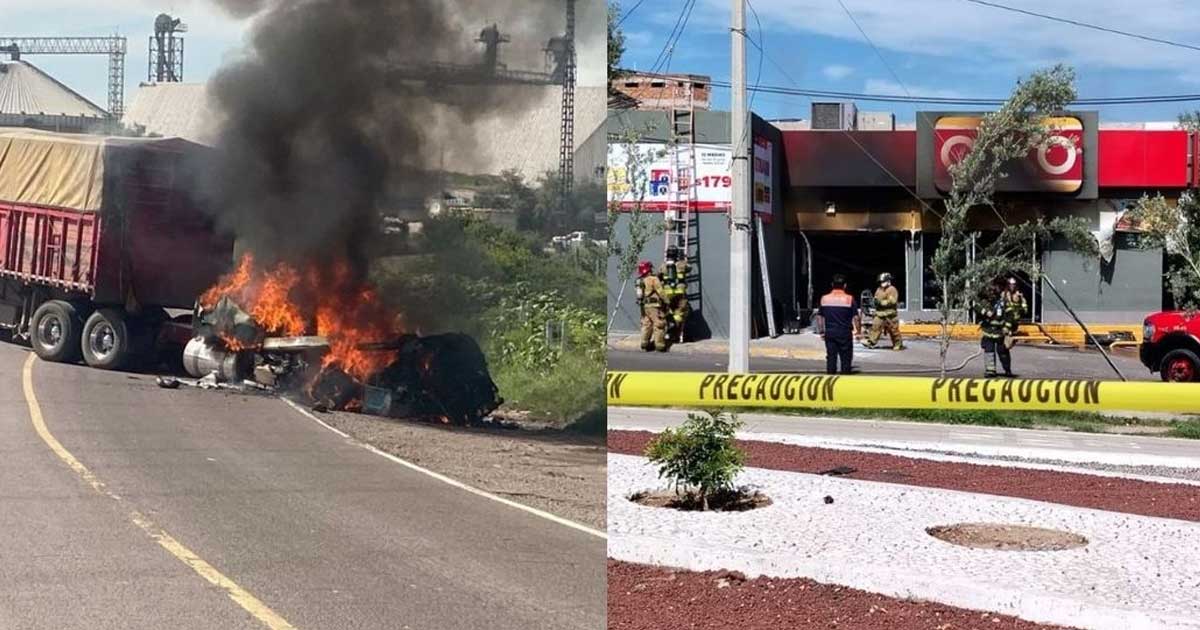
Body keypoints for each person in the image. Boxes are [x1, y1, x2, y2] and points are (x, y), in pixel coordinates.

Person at [815, 274, 861, 375]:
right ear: (845, 285)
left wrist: (822, 331)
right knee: (846, 357)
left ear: (832, 285)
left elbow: (819, 317)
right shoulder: (849, 299)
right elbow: (856, 318)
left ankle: (830, 379)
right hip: (844, 333)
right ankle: (845, 380)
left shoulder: (824, 298)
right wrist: (858, 332)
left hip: (830, 332)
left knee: (831, 356)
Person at [978, 288, 1013, 377]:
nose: (991, 294)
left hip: (1000, 332)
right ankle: (990, 371)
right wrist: (985, 312)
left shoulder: (1003, 303)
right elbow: (976, 308)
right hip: (988, 332)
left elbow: (1010, 315)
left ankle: (1007, 369)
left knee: (1003, 352)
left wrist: (1007, 327)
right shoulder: (984, 302)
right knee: (989, 351)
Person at [864, 272, 904, 350]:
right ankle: (871, 342)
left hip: (890, 314)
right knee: (875, 328)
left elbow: (892, 301)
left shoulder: (892, 289)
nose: (881, 283)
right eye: (880, 282)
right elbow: (876, 298)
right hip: (879, 314)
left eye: (883, 281)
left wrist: (881, 303)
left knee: (893, 330)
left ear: (888, 281)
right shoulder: (879, 289)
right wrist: (874, 302)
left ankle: (897, 343)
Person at [636, 260, 668, 352]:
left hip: (644, 306)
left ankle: (644, 343)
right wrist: (667, 301)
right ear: (649, 269)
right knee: (659, 324)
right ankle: (659, 345)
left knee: (646, 324)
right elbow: (660, 291)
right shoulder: (654, 279)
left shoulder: (640, 280)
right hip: (654, 306)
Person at [661, 254, 690, 344]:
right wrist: (683, 260)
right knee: (681, 312)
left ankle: (668, 327)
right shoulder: (682, 265)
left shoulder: (663, 266)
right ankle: (674, 328)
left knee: (666, 311)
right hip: (679, 293)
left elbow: (659, 274)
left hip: (667, 293)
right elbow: (689, 268)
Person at [1001, 277, 1028, 349]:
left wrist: (1024, 307)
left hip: (1016, 319)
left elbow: (1024, 305)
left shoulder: (1019, 295)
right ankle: (1006, 342)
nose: (1012, 286)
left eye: (1013, 285)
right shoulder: (1004, 294)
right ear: (1008, 285)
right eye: (1010, 285)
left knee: (1012, 333)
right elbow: (1001, 305)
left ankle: (1009, 342)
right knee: (1007, 333)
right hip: (1006, 318)